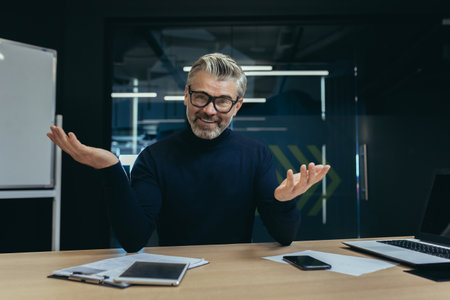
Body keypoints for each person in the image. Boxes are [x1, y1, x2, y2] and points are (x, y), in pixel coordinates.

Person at [47, 53, 330, 252]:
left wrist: (282, 202)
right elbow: (133, 240)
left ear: (237, 106)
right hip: (175, 276)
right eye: (201, 97)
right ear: (186, 95)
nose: (209, 109)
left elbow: (284, 237)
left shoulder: (256, 155)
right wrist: (111, 169)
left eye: (222, 101)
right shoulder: (154, 158)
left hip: (235, 275)